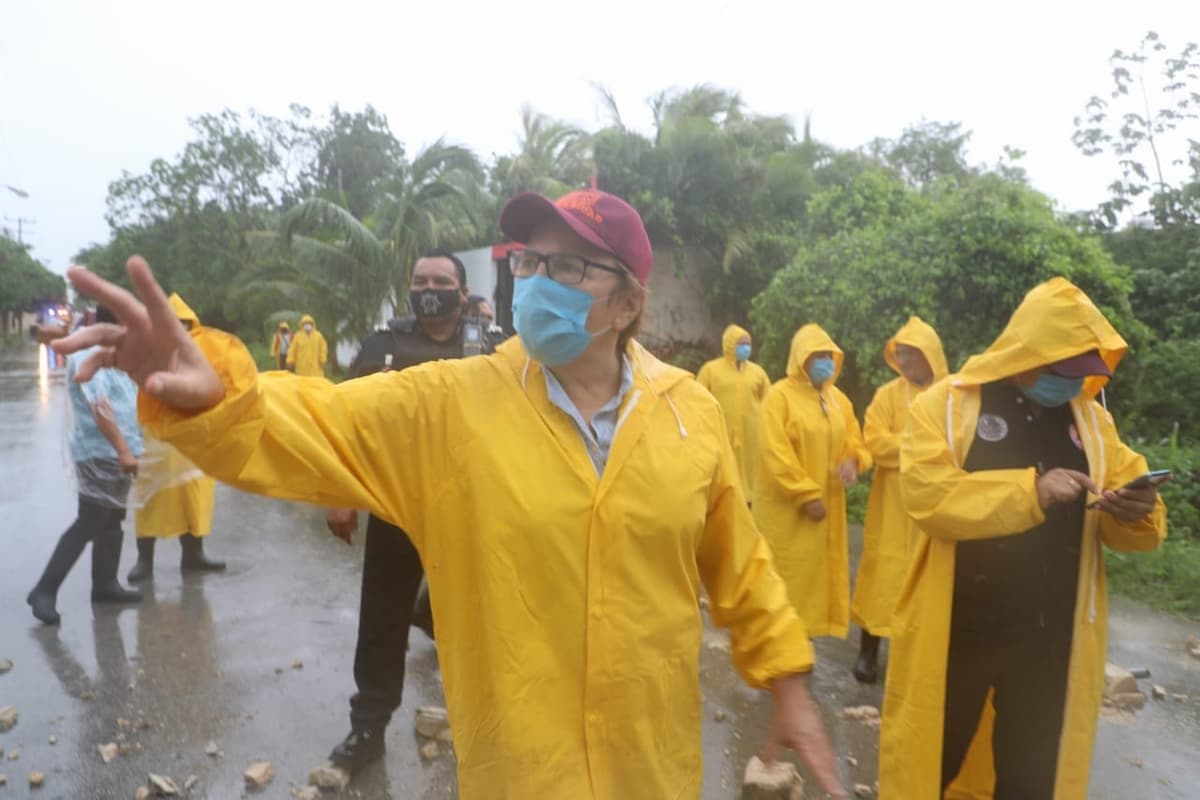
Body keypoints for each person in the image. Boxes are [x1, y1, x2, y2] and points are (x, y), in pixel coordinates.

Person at [56, 189, 847, 799]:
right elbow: (318, 420)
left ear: (630, 303)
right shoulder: (453, 404)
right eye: (530, 263)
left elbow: (741, 563)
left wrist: (788, 682)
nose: (537, 281)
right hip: (519, 773)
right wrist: (219, 393)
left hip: (654, 768)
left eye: (570, 268)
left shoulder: (690, 412)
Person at [880, 278, 1167, 799]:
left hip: (1050, 640)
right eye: (1062, 371)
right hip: (960, 628)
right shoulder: (948, 406)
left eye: (1081, 372)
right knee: (930, 762)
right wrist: (1031, 492)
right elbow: (927, 496)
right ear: (1026, 354)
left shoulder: (1092, 422)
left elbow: (1130, 513)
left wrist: (1138, 512)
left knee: (1031, 777)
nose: (1070, 384)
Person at [322, 248, 496, 777]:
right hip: (397, 503)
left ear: (463, 292)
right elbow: (347, 421)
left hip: (472, 508)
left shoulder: (494, 347)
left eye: (441, 281)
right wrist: (341, 492)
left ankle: (484, 728)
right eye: (420, 281)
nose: (429, 290)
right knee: (382, 618)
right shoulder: (381, 347)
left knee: (482, 617)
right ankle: (368, 728)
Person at [27, 305, 144, 625]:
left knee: (113, 519)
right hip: (100, 452)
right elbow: (100, 406)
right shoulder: (87, 354)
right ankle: (44, 590)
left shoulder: (116, 355)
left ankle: (105, 585)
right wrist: (124, 451)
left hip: (121, 450)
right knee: (90, 521)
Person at [754, 324, 871, 639]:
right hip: (788, 512)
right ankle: (778, 649)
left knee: (815, 585)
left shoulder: (838, 400)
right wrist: (806, 494)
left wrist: (853, 461)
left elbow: (856, 440)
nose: (826, 362)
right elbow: (775, 452)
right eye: (818, 355)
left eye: (829, 356)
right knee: (786, 581)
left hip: (826, 510)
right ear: (800, 357)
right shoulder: (779, 397)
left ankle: (801, 646)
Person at [849, 316, 948, 683]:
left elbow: (959, 444)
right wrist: (921, 448)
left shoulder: (952, 396)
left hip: (935, 504)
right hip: (892, 504)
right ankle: (868, 652)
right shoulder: (888, 395)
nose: (902, 361)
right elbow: (875, 441)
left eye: (909, 353)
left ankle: (918, 661)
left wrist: (912, 450)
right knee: (883, 575)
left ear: (929, 354)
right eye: (899, 353)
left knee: (928, 580)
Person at [127, 294, 225, 581]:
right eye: (174, 322)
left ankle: (194, 555)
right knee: (151, 499)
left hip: (194, 441)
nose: (180, 329)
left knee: (193, 499)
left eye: (185, 324)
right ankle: (144, 560)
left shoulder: (203, 353)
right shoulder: (148, 352)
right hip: (156, 440)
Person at [697, 324, 771, 499]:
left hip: (751, 432)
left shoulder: (757, 373)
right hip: (720, 429)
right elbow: (698, 397)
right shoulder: (711, 370)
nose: (746, 348)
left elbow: (769, 401)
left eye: (748, 344)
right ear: (730, 344)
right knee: (723, 465)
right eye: (741, 343)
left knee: (751, 465)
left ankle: (750, 498)